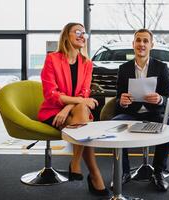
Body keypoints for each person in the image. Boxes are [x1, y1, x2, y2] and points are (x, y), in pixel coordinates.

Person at [37, 22, 109, 196]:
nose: (82, 35)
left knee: (82, 114)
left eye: (84, 33)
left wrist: (68, 107)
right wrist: (74, 103)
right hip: (53, 111)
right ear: (66, 35)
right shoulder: (52, 59)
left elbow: (84, 92)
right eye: (77, 32)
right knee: (84, 121)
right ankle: (95, 176)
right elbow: (51, 93)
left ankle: (76, 163)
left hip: (71, 112)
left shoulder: (86, 63)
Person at [113, 28, 169, 192]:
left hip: (153, 113)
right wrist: (123, 102)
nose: (141, 44)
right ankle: (123, 172)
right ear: (133, 44)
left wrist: (159, 98)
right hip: (130, 114)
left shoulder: (161, 67)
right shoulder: (124, 68)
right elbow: (118, 98)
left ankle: (159, 172)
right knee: (115, 124)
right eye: (138, 40)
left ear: (151, 45)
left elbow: (168, 96)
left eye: (145, 41)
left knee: (168, 124)